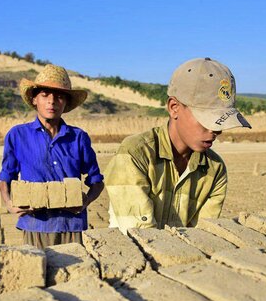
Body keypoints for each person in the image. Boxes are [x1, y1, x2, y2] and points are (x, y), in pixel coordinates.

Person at [104, 57, 251, 234]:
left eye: (220, 122)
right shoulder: (135, 155)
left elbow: (203, 236)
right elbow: (141, 237)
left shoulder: (215, 169)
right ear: (174, 108)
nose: (216, 131)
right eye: (207, 120)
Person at [0, 64, 104, 248]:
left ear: (66, 103)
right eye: (45, 95)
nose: (52, 101)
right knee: (38, 274)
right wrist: (9, 204)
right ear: (34, 100)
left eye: (59, 96)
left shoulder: (78, 137)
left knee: (77, 275)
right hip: (35, 225)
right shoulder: (18, 135)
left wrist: (85, 202)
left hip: (72, 226)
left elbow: (97, 181)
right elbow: (5, 179)